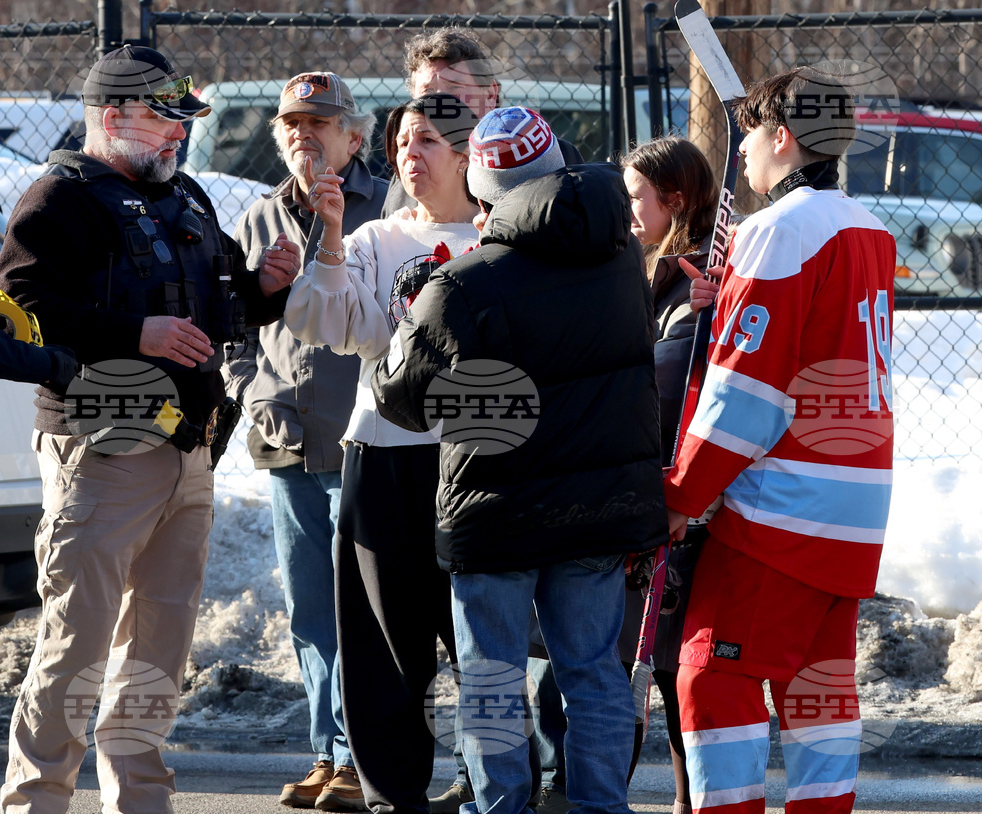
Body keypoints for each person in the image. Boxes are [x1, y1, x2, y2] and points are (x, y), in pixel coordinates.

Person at [0, 45, 299, 813]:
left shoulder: (185, 195)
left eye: (182, 122)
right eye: (165, 121)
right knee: (77, 647)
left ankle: (141, 799)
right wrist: (136, 333)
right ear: (112, 117)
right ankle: (39, 801)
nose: (178, 138)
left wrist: (264, 287)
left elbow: (223, 301)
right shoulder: (58, 200)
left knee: (157, 648)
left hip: (187, 450)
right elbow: (20, 314)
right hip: (102, 448)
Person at [370, 106, 669, 814]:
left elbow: (401, 402)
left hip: (493, 508)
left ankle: (500, 805)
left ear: (480, 191)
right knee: (592, 670)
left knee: (491, 677)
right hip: (599, 504)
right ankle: (601, 805)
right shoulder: (621, 254)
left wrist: (416, 315)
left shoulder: (462, 286)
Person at [664, 68, 897, 813]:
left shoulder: (778, 230)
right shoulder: (870, 226)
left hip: (780, 510)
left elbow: (748, 396)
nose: (740, 158)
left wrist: (681, 494)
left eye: (747, 137)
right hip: (854, 505)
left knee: (711, 673)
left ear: (781, 137)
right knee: (817, 688)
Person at [283, 93, 479, 814]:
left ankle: (497, 783)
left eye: (427, 140)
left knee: (479, 641)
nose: (408, 154)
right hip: (387, 454)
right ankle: (393, 796)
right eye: (401, 142)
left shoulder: (499, 237)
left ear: (466, 154)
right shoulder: (375, 238)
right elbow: (327, 323)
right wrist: (331, 233)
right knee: (382, 646)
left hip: (475, 460)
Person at [222, 71, 387, 811]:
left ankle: (363, 757)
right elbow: (233, 326)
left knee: (366, 610)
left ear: (354, 137)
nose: (303, 134)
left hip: (367, 442)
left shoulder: (387, 210)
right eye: (291, 123)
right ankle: (326, 752)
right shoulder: (257, 218)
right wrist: (248, 394)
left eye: (320, 123)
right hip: (287, 443)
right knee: (312, 611)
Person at [618, 137, 718, 814]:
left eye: (637, 196)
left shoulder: (694, 281)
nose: (628, 209)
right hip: (649, 485)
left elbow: (663, 381)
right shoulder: (652, 269)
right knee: (654, 655)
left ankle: (687, 800)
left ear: (674, 201)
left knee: (662, 652)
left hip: (678, 493)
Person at [384, 26, 583, 219]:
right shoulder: (409, 173)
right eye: (428, 92)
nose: (440, 103)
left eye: (454, 88)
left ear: (489, 94)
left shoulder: (547, 155)